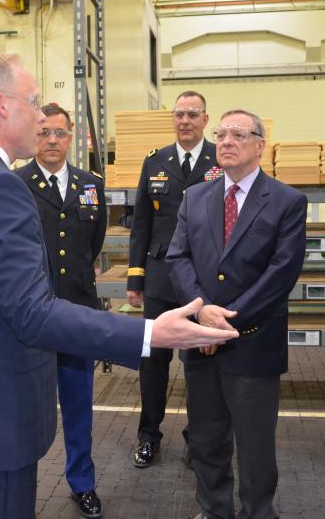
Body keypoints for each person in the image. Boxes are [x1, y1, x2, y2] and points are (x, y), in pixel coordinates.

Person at [0, 54, 238, 519]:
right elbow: (32, 313)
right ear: (1, 104)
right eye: (34, 102)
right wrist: (150, 334)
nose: (42, 117)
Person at [167, 109, 307, 519]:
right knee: (207, 440)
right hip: (201, 343)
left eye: (238, 135)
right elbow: (178, 257)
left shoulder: (286, 201)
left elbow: (282, 273)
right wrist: (201, 311)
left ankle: (257, 511)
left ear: (260, 145)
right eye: (222, 134)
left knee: (255, 443)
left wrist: (225, 321)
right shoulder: (195, 197)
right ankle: (213, 510)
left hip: (252, 341)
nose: (226, 141)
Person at [14, 103, 107, 519]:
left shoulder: (90, 185)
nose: (52, 140)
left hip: (76, 311)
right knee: (25, 410)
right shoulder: (16, 183)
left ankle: (82, 483)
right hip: (31, 315)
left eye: (60, 133)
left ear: (73, 138)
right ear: (34, 137)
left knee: (78, 406)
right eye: (44, 132)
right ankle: (19, 490)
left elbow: (95, 240)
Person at [127, 90, 219, 468]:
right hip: (162, 279)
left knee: (199, 364)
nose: (185, 121)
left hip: (204, 281)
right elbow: (141, 225)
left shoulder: (221, 159)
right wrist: (136, 278)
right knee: (154, 362)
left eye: (192, 114)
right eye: (179, 114)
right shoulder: (156, 161)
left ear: (204, 120)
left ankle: (197, 441)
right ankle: (149, 435)